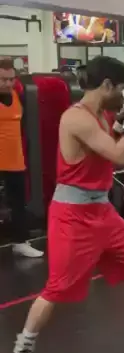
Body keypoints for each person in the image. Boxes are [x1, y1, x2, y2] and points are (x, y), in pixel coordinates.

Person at [11, 56, 124, 353]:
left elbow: (111, 144)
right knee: (57, 288)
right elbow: (121, 155)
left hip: (102, 210)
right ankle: (22, 348)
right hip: (72, 215)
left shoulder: (102, 115)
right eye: (122, 89)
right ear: (107, 85)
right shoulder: (76, 118)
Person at [0, 57, 43, 257]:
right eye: (3, 79)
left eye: (11, 79)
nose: (8, 83)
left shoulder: (19, 97)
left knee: (18, 203)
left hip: (14, 159)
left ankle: (20, 242)